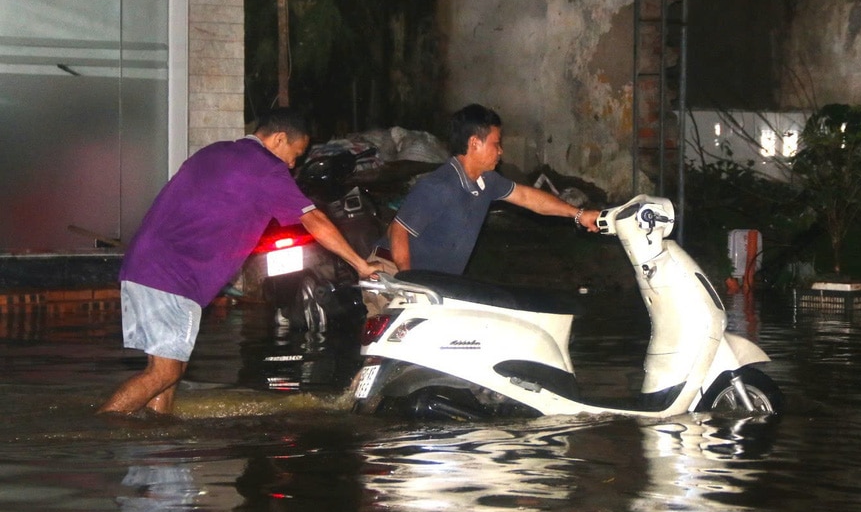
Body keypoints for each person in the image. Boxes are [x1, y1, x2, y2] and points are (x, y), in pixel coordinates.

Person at [98, 109, 382, 416]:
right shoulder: (266, 169)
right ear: (279, 139)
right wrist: (360, 264)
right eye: (295, 155)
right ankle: (101, 429)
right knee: (165, 373)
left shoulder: (215, 152)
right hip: (172, 276)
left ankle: (157, 445)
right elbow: (313, 219)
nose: (292, 164)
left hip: (146, 265)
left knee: (170, 371)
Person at [378, 103, 601, 274]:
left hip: (433, 284)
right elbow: (398, 230)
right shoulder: (439, 185)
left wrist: (578, 214)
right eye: (496, 143)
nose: (501, 151)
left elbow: (527, 196)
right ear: (475, 143)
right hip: (391, 273)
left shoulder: (487, 181)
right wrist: (409, 284)